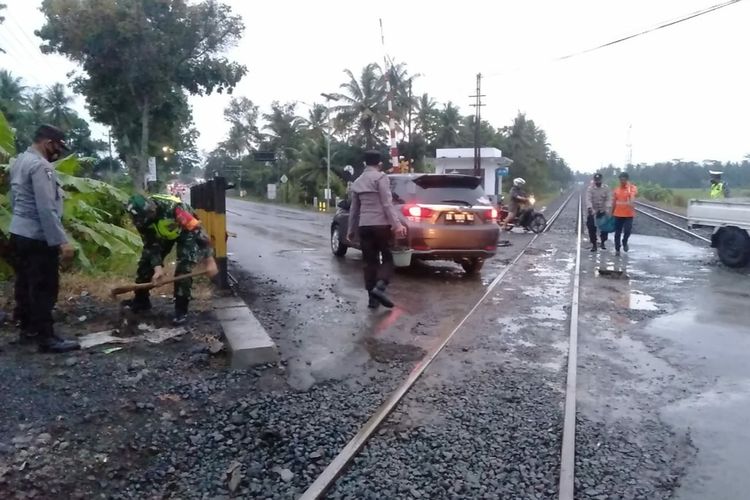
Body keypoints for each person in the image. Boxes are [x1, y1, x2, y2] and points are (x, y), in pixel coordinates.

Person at [9, 124, 79, 353]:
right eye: (58, 146)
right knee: (43, 287)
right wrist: (61, 241)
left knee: (25, 283)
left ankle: (28, 330)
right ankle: (46, 338)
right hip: (38, 237)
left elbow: (15, 200)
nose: (58, 151)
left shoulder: (19, 161)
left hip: (19, 232)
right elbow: (46, 208)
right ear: (48, 143)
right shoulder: (40, 166)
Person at [124, 193, 216, 325]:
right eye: (145, 218)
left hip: (186, 232)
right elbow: (150, 244)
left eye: (150, 214)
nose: (149, 218)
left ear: (152, 207)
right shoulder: (141, 219)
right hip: (162, 235)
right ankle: (141, 301)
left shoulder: (175, 209)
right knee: (145, 266)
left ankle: (181, 310)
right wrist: (157, 268)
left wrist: (210, 261)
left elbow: (198, 232)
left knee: (184, 269)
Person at [346, 150, 407, 309]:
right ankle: (380, 287)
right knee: (387, 258)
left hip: (364, 226)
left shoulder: (357, 182)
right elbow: (387, 204)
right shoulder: (381, 178)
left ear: (365, 163)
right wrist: (397, 225)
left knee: (369, 262)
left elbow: (354, 209)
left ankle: (372, 299)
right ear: (379, 164)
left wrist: (351, 229)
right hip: (381, 226)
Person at [612, 172, 638, 256]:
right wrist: (611, 213)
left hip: (628, 214)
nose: (622, 181)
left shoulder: (632, 188)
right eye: (620, 180)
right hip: (618, 214)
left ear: (627, 179)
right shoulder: (616, 190)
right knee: (617, 233)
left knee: (627, 230)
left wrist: (631, 201)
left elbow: (632, 196)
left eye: (623, 179)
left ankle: (624, 241)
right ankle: (617, 249)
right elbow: (614, 202)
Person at [585, 173, 612, 252]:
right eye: (596, 180)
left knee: (605, 228)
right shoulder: (590, 188)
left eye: (599, 180)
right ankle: (594, 244)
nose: (598, 182)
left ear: (601, 180)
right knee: (591, 227)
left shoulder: (606, 188)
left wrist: (607, 208)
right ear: (594, 180)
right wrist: (590, 208)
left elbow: (609, 199)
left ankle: (603, 241)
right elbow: (588, 199)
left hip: (603, 210)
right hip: (593, 210)